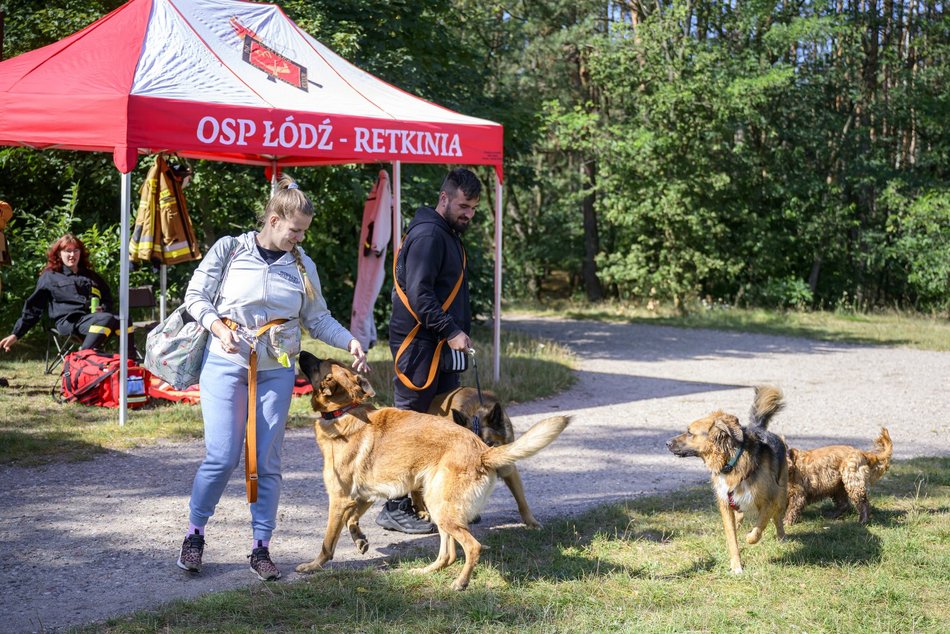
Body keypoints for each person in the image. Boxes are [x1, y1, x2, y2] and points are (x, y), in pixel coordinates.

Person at [176, 174, 369, 581]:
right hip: (227, 364)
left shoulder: (302, 265)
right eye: (295, 230)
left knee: (266, 460)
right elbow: (194, 298)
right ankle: (194, 535)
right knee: (222, 456)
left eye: (303, 232)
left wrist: (350, 342)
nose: (299, 238)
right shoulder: (231, 250)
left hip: (276, 371)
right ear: (275, 219)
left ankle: (260, 546)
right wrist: (218, 327)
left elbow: (317, 319)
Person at [376, 167, 481, 534]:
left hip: (438, 344)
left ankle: (437, 502)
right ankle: (394, 506)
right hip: (419, 346)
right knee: (407, 426)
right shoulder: (429, 236)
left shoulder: (447, 234)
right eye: (464, 205)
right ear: (444, 198)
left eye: (473, 208)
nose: (469, 214)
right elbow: (420, 295)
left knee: (439, 426)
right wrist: (452, 330)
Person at [0, 233, 136, 357]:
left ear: (80, 253)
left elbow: (107, 299)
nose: (72, 255)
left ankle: (129, 363)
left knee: (124, 319)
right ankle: (81, 360)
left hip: (93, 318)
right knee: (105, 319)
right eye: (67, 251)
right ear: (59, 254)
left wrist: (103, 308)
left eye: (76, 250)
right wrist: (16, 334)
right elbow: (33, 309)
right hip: (69, 322)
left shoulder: (92, 276)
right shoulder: (50, 277)